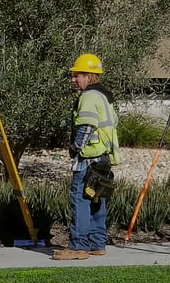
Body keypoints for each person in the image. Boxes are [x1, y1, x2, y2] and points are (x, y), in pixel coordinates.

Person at [52, 53, 120, 260]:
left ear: (90, 76)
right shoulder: (103, 96)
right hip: (103, 158)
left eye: (77, 75)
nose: (73, 79)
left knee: (80, 200)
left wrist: (75, 148)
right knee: (97, 199)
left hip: (88, 159)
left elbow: (86, 126)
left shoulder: (88, 97)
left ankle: (78, 247)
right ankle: (97, 244)